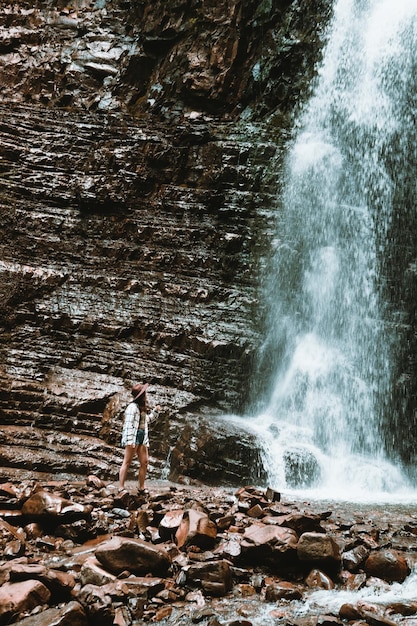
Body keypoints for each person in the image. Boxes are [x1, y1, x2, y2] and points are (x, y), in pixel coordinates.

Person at [119, 382, 160, 494]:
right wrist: (130, 441)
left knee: (145, 462)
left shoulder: (141, 408)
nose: (146, 395)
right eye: (144, 393)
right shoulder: (132, 408)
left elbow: (147, 420)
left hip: (142, 437)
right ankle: (121, 487)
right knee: (127, 462)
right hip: (134, 437)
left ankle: (141, 487)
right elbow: (128, 425)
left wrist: (155, 412)